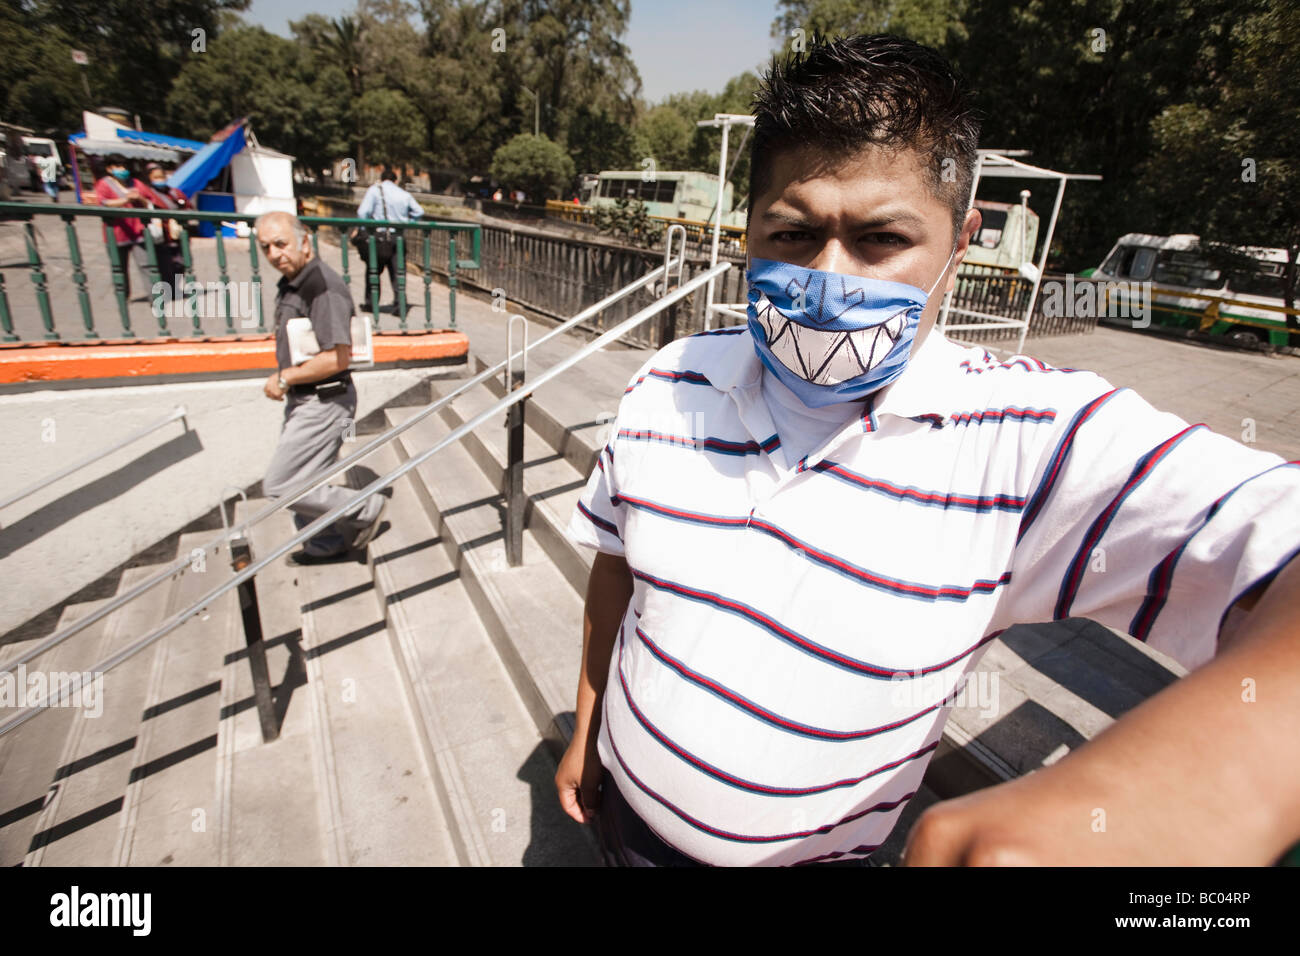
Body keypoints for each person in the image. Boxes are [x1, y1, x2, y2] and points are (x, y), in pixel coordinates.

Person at [555, 34, 1300, 867]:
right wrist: (587, 729)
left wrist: (1196, 787)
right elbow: (617, 570)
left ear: (962, 238)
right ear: (747, 230)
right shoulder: (665, 384)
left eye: (880, 240)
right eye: (792, 235)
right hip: (623, 826)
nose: (829, 279)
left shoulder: (1028, 443)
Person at [256, 210, 387, 564]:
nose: (273, 255)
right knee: (307, 480)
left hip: (324, 399)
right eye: (265, 247)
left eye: (280, 244)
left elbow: (337, 359)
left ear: (304, 242)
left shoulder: (321, 287)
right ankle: (324, 544)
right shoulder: (296, 280)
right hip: (309, 397)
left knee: (281, 486)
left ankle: (364, 506)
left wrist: (285, 378)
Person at [353, 168, 423, 317]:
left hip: (378, 237)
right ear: (396, 180)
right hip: (398, 237)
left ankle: (371, 303)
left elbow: (362, 213)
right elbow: (419, 211)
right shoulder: (404, 194)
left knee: (373, 270)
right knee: (398, 273)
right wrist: (408, 223)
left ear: (381, 178)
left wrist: (364, 228)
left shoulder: (375, 190)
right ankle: (400, 304)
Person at [92, 155, 156, 300]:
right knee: (119, 268)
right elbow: (103, 202)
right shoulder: (104, 184)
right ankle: (122, 296)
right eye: (118, 167)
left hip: (138, 231)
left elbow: (150, 202)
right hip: (116, 233)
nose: (123, 170)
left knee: (147, 265)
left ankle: (154, 297)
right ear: (110, 169)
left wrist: (139, 198)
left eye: (124, 166)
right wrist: (125, 199)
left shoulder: (136, 183)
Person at [143, 163, 188, 299]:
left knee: (181, 263)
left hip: (176, 234)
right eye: (156, 177)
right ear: (149, 178)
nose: (160, 179)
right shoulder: (148, 194)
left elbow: (187, 206)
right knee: (165, 264)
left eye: (162, 176)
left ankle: (175, 288)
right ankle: (167, 290)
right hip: (160, 235)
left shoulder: (174, 193)